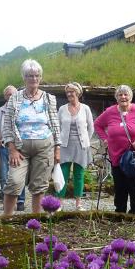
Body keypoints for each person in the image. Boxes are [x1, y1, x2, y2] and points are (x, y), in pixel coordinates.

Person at [1, 59, 61, 216]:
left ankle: (36, 221)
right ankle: (5, 221)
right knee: (14, 182)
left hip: (45, 147)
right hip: (20, 149)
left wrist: (57, 149)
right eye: (29, 75)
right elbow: (7, 125)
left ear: (40, 77)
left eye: (36, 75)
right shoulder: (15, 98)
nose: (33, 79)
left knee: (39, 186)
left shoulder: (49, 98)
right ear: (23, 77)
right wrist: (12, 149)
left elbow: (55, 125)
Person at [94, 85, 135, 215]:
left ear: (130, 97)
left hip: (134, 157)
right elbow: (97, 125)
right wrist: (105, 139)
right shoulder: (110, 112)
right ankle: (119, 214)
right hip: (116, 156)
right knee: (120, 188)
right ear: (116, 97)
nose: (123, 97)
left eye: (126, 94)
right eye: (120, 95)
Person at [56, 82, 94, 211]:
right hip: (65, 146)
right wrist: (57, 144)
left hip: (81, 146)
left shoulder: (86, 108)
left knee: (79, 174)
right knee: (63, 174)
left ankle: (78, 203)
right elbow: (57, 128)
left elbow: (91, 127)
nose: (69, 94)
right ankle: (59, 203)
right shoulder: (62, 109)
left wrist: (85, 141)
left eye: (72, 91)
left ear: (78, 93)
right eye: (68, 92)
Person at [0, 85, 26, 210]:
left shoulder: (22, 108)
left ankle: (21, 201)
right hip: (4, 146)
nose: (10, 96)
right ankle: (6, 200)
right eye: (8, 94)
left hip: (18, 147)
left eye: (12, 94)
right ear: (5, 96)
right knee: (4, 175)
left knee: (19, 174)